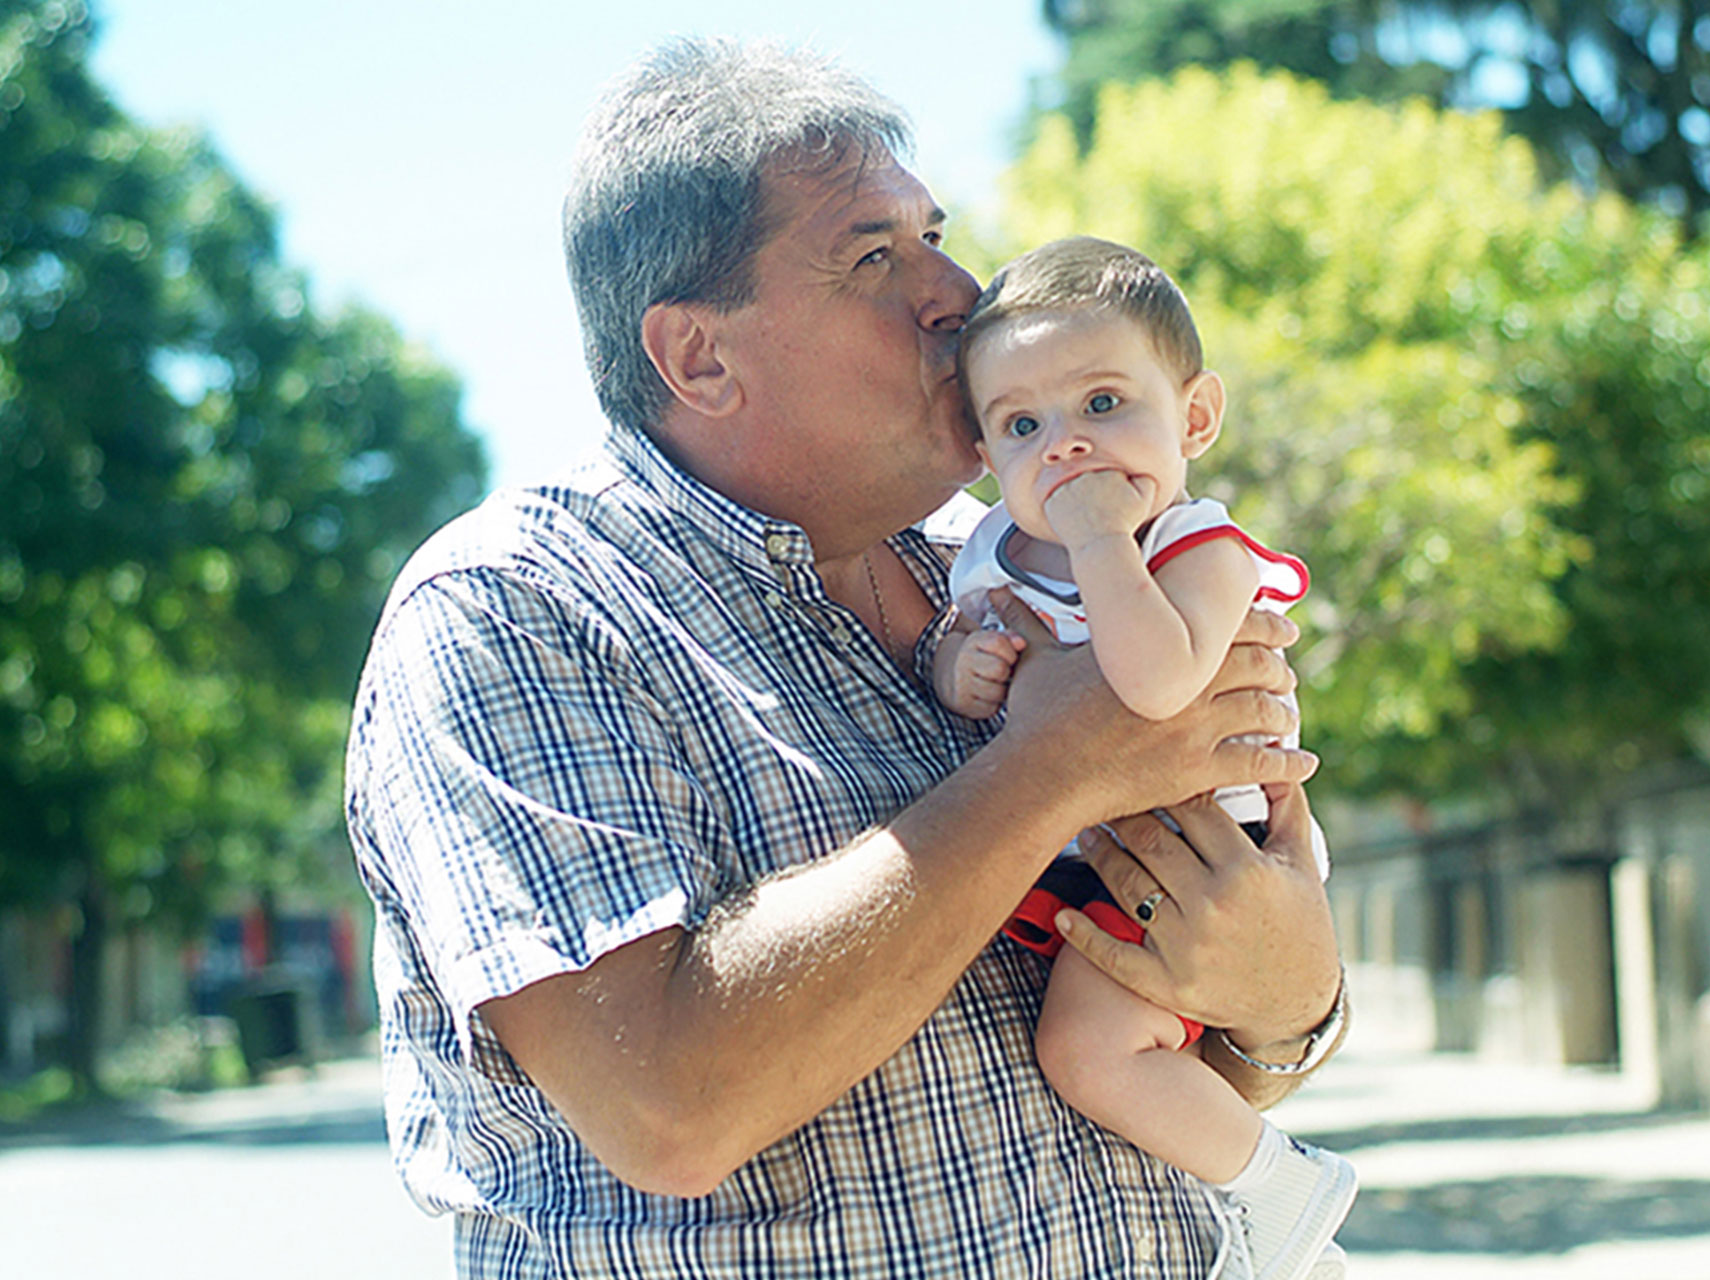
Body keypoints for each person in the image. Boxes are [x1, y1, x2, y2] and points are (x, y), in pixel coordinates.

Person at [343, 37, 1347, 1280]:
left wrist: (1289, 998)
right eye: (876, 257)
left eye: (936, 235)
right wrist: (1062, 761)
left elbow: (1191, 1044)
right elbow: (668, 1105)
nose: (959, 292)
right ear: (698, 356)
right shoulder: (515, 608)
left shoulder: (1011, 566)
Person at [932, 236, 1355, 1280]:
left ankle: (1281, 1190)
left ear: (1194, 418)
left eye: (1103, 404)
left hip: (1199, 846)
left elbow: (1158, 685)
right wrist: (963, 666)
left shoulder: (1197, 546)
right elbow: (960, 641)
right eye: (1022, 425)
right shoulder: (986, 549)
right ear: (983, 451)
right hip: (1092, 850)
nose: (1065, 446)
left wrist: (1099, 542)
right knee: (1105, 1043)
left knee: (1087, 1049)